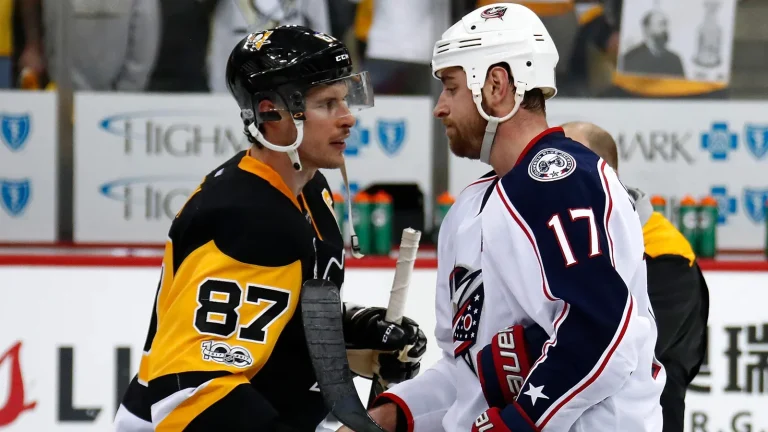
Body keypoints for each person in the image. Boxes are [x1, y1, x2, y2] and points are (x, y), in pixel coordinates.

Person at [344, 3, 665, 432]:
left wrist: (515, 423)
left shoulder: (561, 178)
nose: (439, 107)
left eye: (452, 88)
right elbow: (468, 375)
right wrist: (393, 413)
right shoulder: (472, 206)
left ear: (495, 85)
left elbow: (602, 338)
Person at [114, 26, 427, 432]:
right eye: (327, 103)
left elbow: (272, 323)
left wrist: (356, 333)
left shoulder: (309, 188)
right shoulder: (248, 216)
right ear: (270, 113)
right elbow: (189, 391)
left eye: (345, 100)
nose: (348, 118)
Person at [562, 121, 710, 432]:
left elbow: (618, 354)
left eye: (567, 161)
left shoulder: (664, 254)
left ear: (605, 174)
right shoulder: (574, 239)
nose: (553, 175)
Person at [619, 9, 685, 78]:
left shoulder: (674, 60)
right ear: (647, 28)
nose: (665, 29)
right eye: (661, 24)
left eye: (666, 24)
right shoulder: (631, 57)